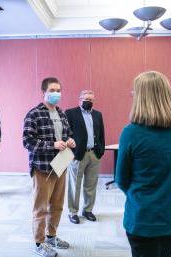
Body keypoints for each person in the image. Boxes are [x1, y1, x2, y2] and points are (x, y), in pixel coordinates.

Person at [115, 71, 171, 257]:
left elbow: (121, 179)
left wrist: (143, 194)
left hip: (143, 217)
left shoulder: (131, 132)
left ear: (141, 97)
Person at [23, 77, 76, 257]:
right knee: (41, 207)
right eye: (52, 90)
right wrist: (52, 145)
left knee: (58, 205)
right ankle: (39, 242)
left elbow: (68, 134)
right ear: (43, 92)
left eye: (59, 90)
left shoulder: (62, 113)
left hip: (61, 164)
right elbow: (27, 141)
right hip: (42, 167)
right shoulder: (34, 114)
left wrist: (70, 140)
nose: (56, 94)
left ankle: (51, 236)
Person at [65, 90, 105, 224]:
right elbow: (65, 133)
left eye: (91, 99)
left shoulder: (98, 115)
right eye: (86, 98)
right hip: (78, 155)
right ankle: (73, 212)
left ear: (94, 101)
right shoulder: (70, 113)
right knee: (74, 185)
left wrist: (100, 150)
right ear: (79, 99)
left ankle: (88, 210)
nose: (88, 101)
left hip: (94, 154)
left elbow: (101, 134)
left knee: (91, 184)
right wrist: (72, 151)